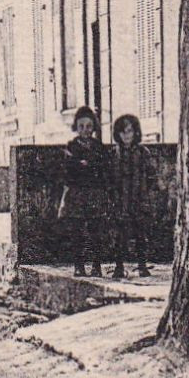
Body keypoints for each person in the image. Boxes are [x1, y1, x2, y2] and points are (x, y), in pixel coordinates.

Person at [59, 106, 110, 277]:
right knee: (77, 231)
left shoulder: (99, 146)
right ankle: (79, 266)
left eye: (89, 126)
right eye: (81, 126)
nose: (85, 130)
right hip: (77, 194)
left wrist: (88, 165)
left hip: (95, 193)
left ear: (93, 127)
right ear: (76, 127)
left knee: (96, 230)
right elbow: (67, 169)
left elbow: (103, 167)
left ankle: (96, 265)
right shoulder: (71, 146)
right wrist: (79, 165)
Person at [110, 113, 153, 279]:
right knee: (120, 234)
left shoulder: (143, 152)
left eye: (129, 131)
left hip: (139, 198)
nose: (126, 135)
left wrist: (145, 193)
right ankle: (118, 267)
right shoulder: (115, 153)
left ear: (136, 133)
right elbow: (110, 177)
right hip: (121, 200)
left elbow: (151, 175)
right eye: (122, 132)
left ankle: (142, 265)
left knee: (141, 233)